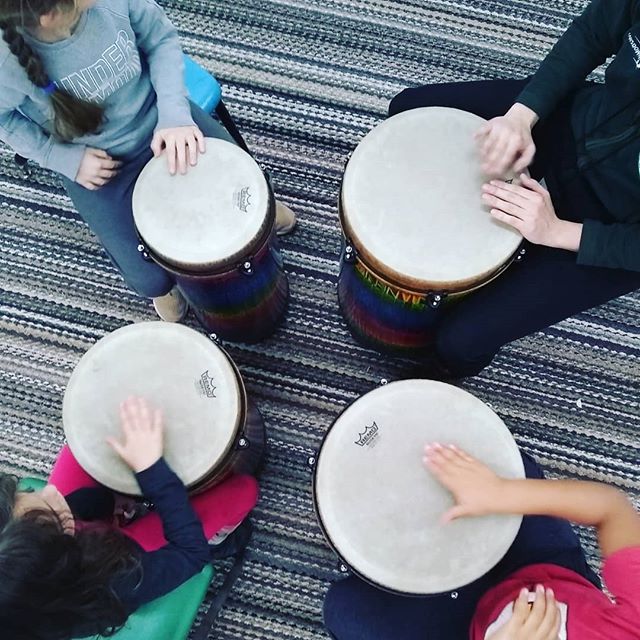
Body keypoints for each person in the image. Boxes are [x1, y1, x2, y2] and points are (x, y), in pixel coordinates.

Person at [0, 0, 296, 323]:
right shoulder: (6, 64)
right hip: (99, 165)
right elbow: (6, 122)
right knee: (149, 278)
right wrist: (63, 159)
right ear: (49, 15)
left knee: (248, 192)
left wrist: (174, 114)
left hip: (163, 119)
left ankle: (259, 218)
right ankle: (168, 287)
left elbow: (161, 40)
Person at [389, 0, 640, 378]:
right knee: (410, 112)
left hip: (616, 226)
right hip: (582, 121)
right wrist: (522, 116)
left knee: (458, 341)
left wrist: (557, 232)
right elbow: (593, 33)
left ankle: (439, 376)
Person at [0, 396, 259, 639]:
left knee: (87, 436)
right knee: (244, 491)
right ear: (57, 553)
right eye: (49, 508)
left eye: (29, 490)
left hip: (71, 545)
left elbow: (77, 505)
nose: (51, 490)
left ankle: (110, 514)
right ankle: (221, 541)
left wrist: (108, 502)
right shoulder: (115, 585)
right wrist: (151, 470)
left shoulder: (28, 563)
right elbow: (191, 553)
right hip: (119, 558)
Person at [323, 443, 640, 640]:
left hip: (465, 629)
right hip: (545, 571)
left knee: (345, 608)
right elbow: (612, 509)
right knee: (508, 462)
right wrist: (499, 493)